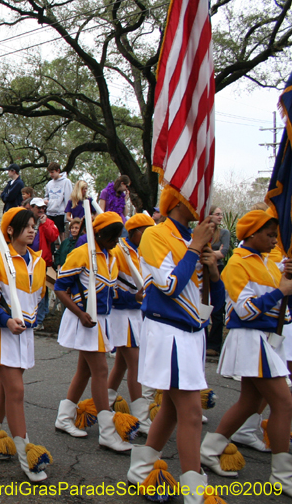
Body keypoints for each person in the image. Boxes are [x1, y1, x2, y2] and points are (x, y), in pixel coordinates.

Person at [126, 188, 224, 502]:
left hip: (193, 333)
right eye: (196, 194)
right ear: (180, 200)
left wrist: (212, 270)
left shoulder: (195, 241)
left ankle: (141, 468)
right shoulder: (155, 235)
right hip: (168, 332)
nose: (204, 200)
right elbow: (168, 286)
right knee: (191, 413)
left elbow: (216, 304)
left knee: (170, 408)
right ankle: (195, 490)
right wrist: (194, 248)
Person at [193, 210, 292, 493]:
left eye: (276, 234)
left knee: (249, 404)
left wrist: (286, 286)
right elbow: (245, 311)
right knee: (284, 403)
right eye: (269, 235)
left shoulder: (271, 262)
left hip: (265, 340)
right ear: (251, 234)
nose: (275, 240)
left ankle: (210, 450)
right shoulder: (237, 264)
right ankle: (283, 475)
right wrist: (281, 292)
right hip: (250, 340)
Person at [0, 207, 53, 482]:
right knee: (16, 391)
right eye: (27, 226)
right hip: (2, 336)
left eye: (34, 226)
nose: (32, 230)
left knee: (6, 391)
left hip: (24, 336)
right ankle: (27, 455)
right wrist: (6, 319)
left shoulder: (39, 262)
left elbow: (38, 298)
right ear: (9, 230)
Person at [53, 211, 135, 452]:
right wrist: (80, 314)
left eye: (118, 238)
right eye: (111, 238)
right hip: (84, 320)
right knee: (100, 370)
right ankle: (108, 433)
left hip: (101, 320)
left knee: (85, 371)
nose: (115, 242)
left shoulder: (112, 256)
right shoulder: (81, 254)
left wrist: (134, 295)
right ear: (99, 235)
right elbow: (60, 288)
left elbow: (113, 288)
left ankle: (64, 417)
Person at [107, 213, 154, 434]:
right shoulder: (117, 251)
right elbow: (109, 288)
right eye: (145, 232)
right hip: (120, 314)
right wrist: (131, 298)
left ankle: (103, 403)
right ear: (134, 232)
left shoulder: (143, 251)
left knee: (123, 364)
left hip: (136, 314)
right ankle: (141, 415)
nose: (148, 236)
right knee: (135, 363)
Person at [29, 198, 58, 329]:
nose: (41, 210)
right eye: (38, 208)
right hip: (28, 259)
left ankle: (39, 319)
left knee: (41, 289)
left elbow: (53, 237)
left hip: (42, 261)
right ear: (32, 207)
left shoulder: (49, 222)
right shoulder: (27, 221)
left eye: (43, 208)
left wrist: (45, 224)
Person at [206, 206, 231, 357]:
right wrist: (213, 253)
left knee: (217, 308)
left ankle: (214, 345)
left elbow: (224, 252)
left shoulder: (224, 233)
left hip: (217, 270)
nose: (220, 217)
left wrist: (209, 254)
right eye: (217, 214)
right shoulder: (204, 231)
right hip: (202, 270)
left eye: (221, 214)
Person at [45, 162, 73, 238]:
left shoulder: (66, 182)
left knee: (61, 232)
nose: (51, 174)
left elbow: (68, 198)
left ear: (58, 171)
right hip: (50, 211)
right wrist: (46, 202)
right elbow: (46, 196)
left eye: (52, 172)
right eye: (49, 172)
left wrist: (68, 214)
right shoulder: (49, 184)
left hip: (60, 212)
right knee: (50, 231)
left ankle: (62, 248)